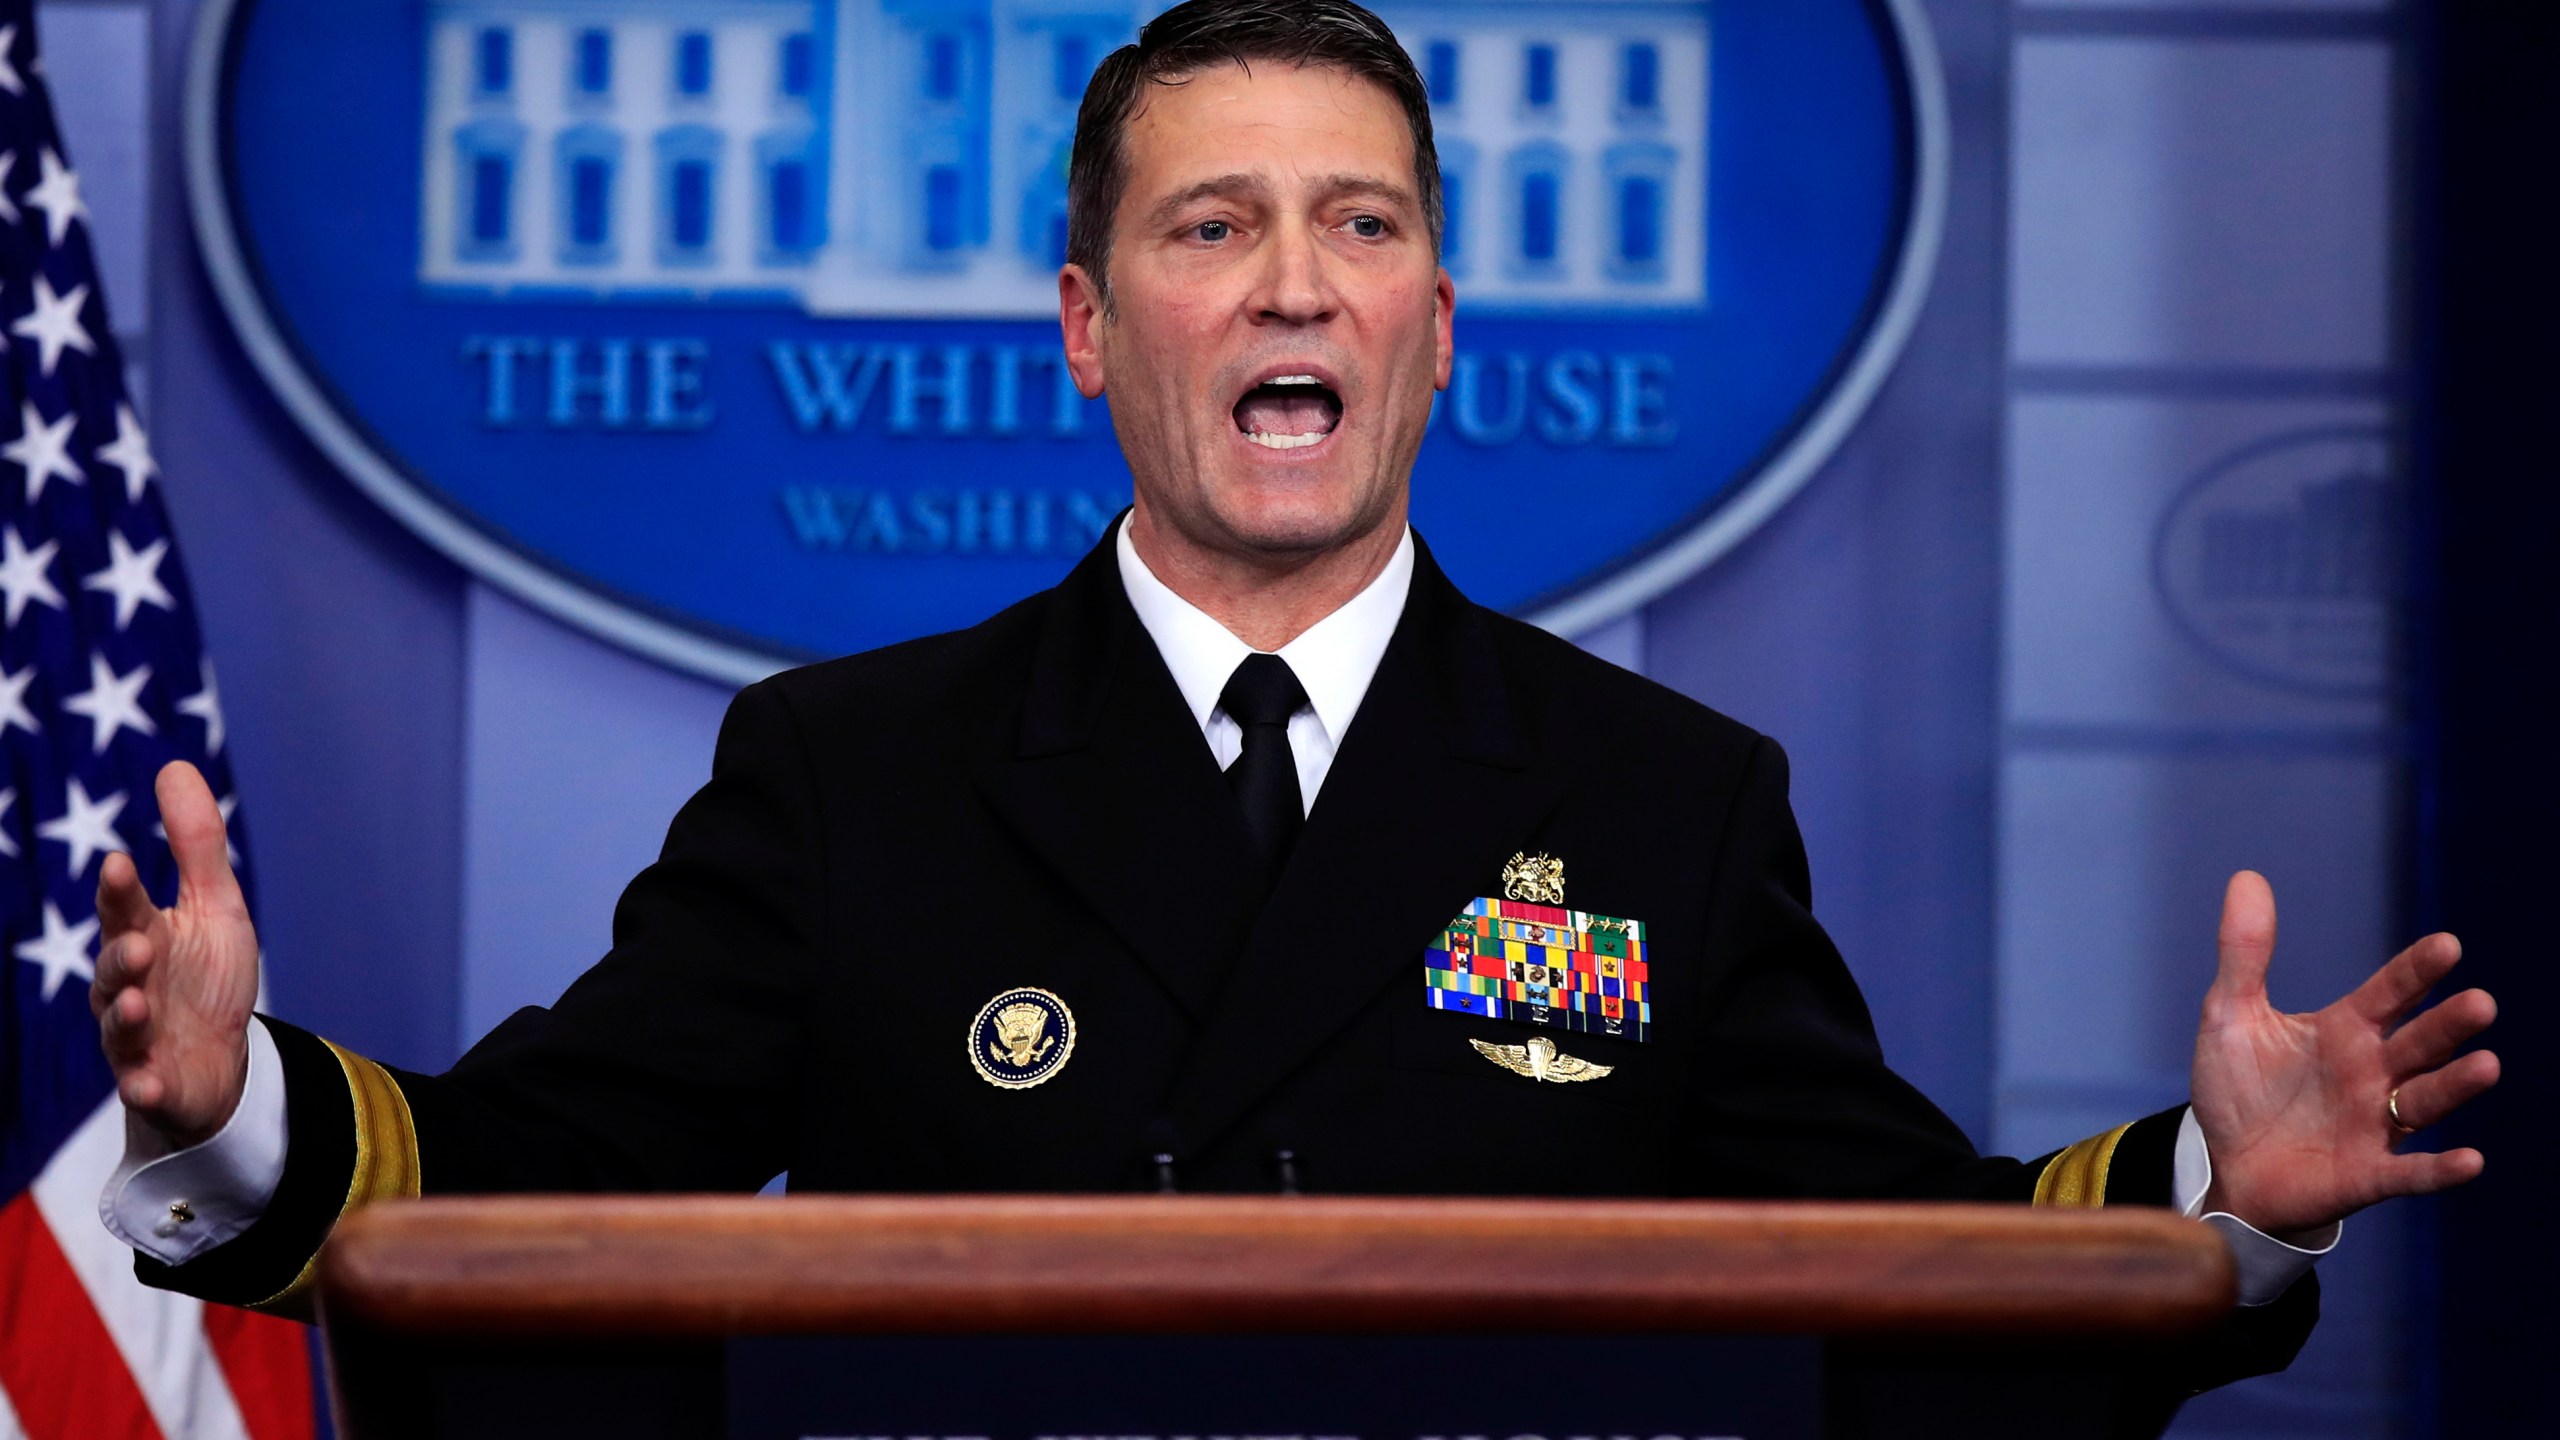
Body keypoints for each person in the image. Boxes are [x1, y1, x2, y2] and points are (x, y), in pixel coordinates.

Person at [91, 0, 2493, 1396]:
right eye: (1208, 225)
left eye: (1358, 227)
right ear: (1084, 325)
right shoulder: (851, 776)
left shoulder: (1662, 804)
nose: (1290, 287)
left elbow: (1888, 1281)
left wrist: (2211, 1208)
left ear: (1433, 333)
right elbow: (536, 1197)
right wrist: (226, 1111)